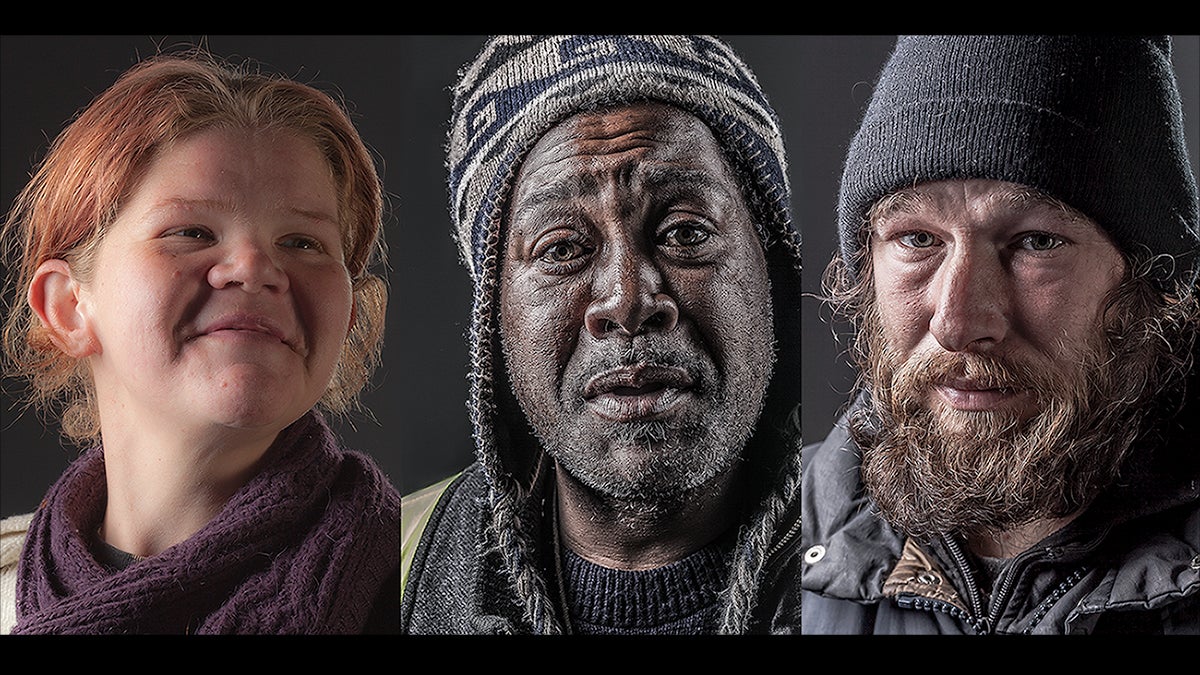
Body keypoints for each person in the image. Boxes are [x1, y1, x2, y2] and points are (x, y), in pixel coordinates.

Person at [400, 35, 803, 635]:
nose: (628, 300)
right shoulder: (392, 565)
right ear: (494, 309)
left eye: (685, 233)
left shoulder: (893, 567)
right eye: (562, 248)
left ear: (769, 267)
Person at [801, 35, 1199, 634]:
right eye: (916, 240)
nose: (957, 322)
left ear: (1152, 285)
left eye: (1036, 243)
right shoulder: (758, 543)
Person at [0, 50, 400, 634]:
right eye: (191, 232)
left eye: (304, 242)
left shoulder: (442, 586)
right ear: (68, 306)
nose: (256, 269)